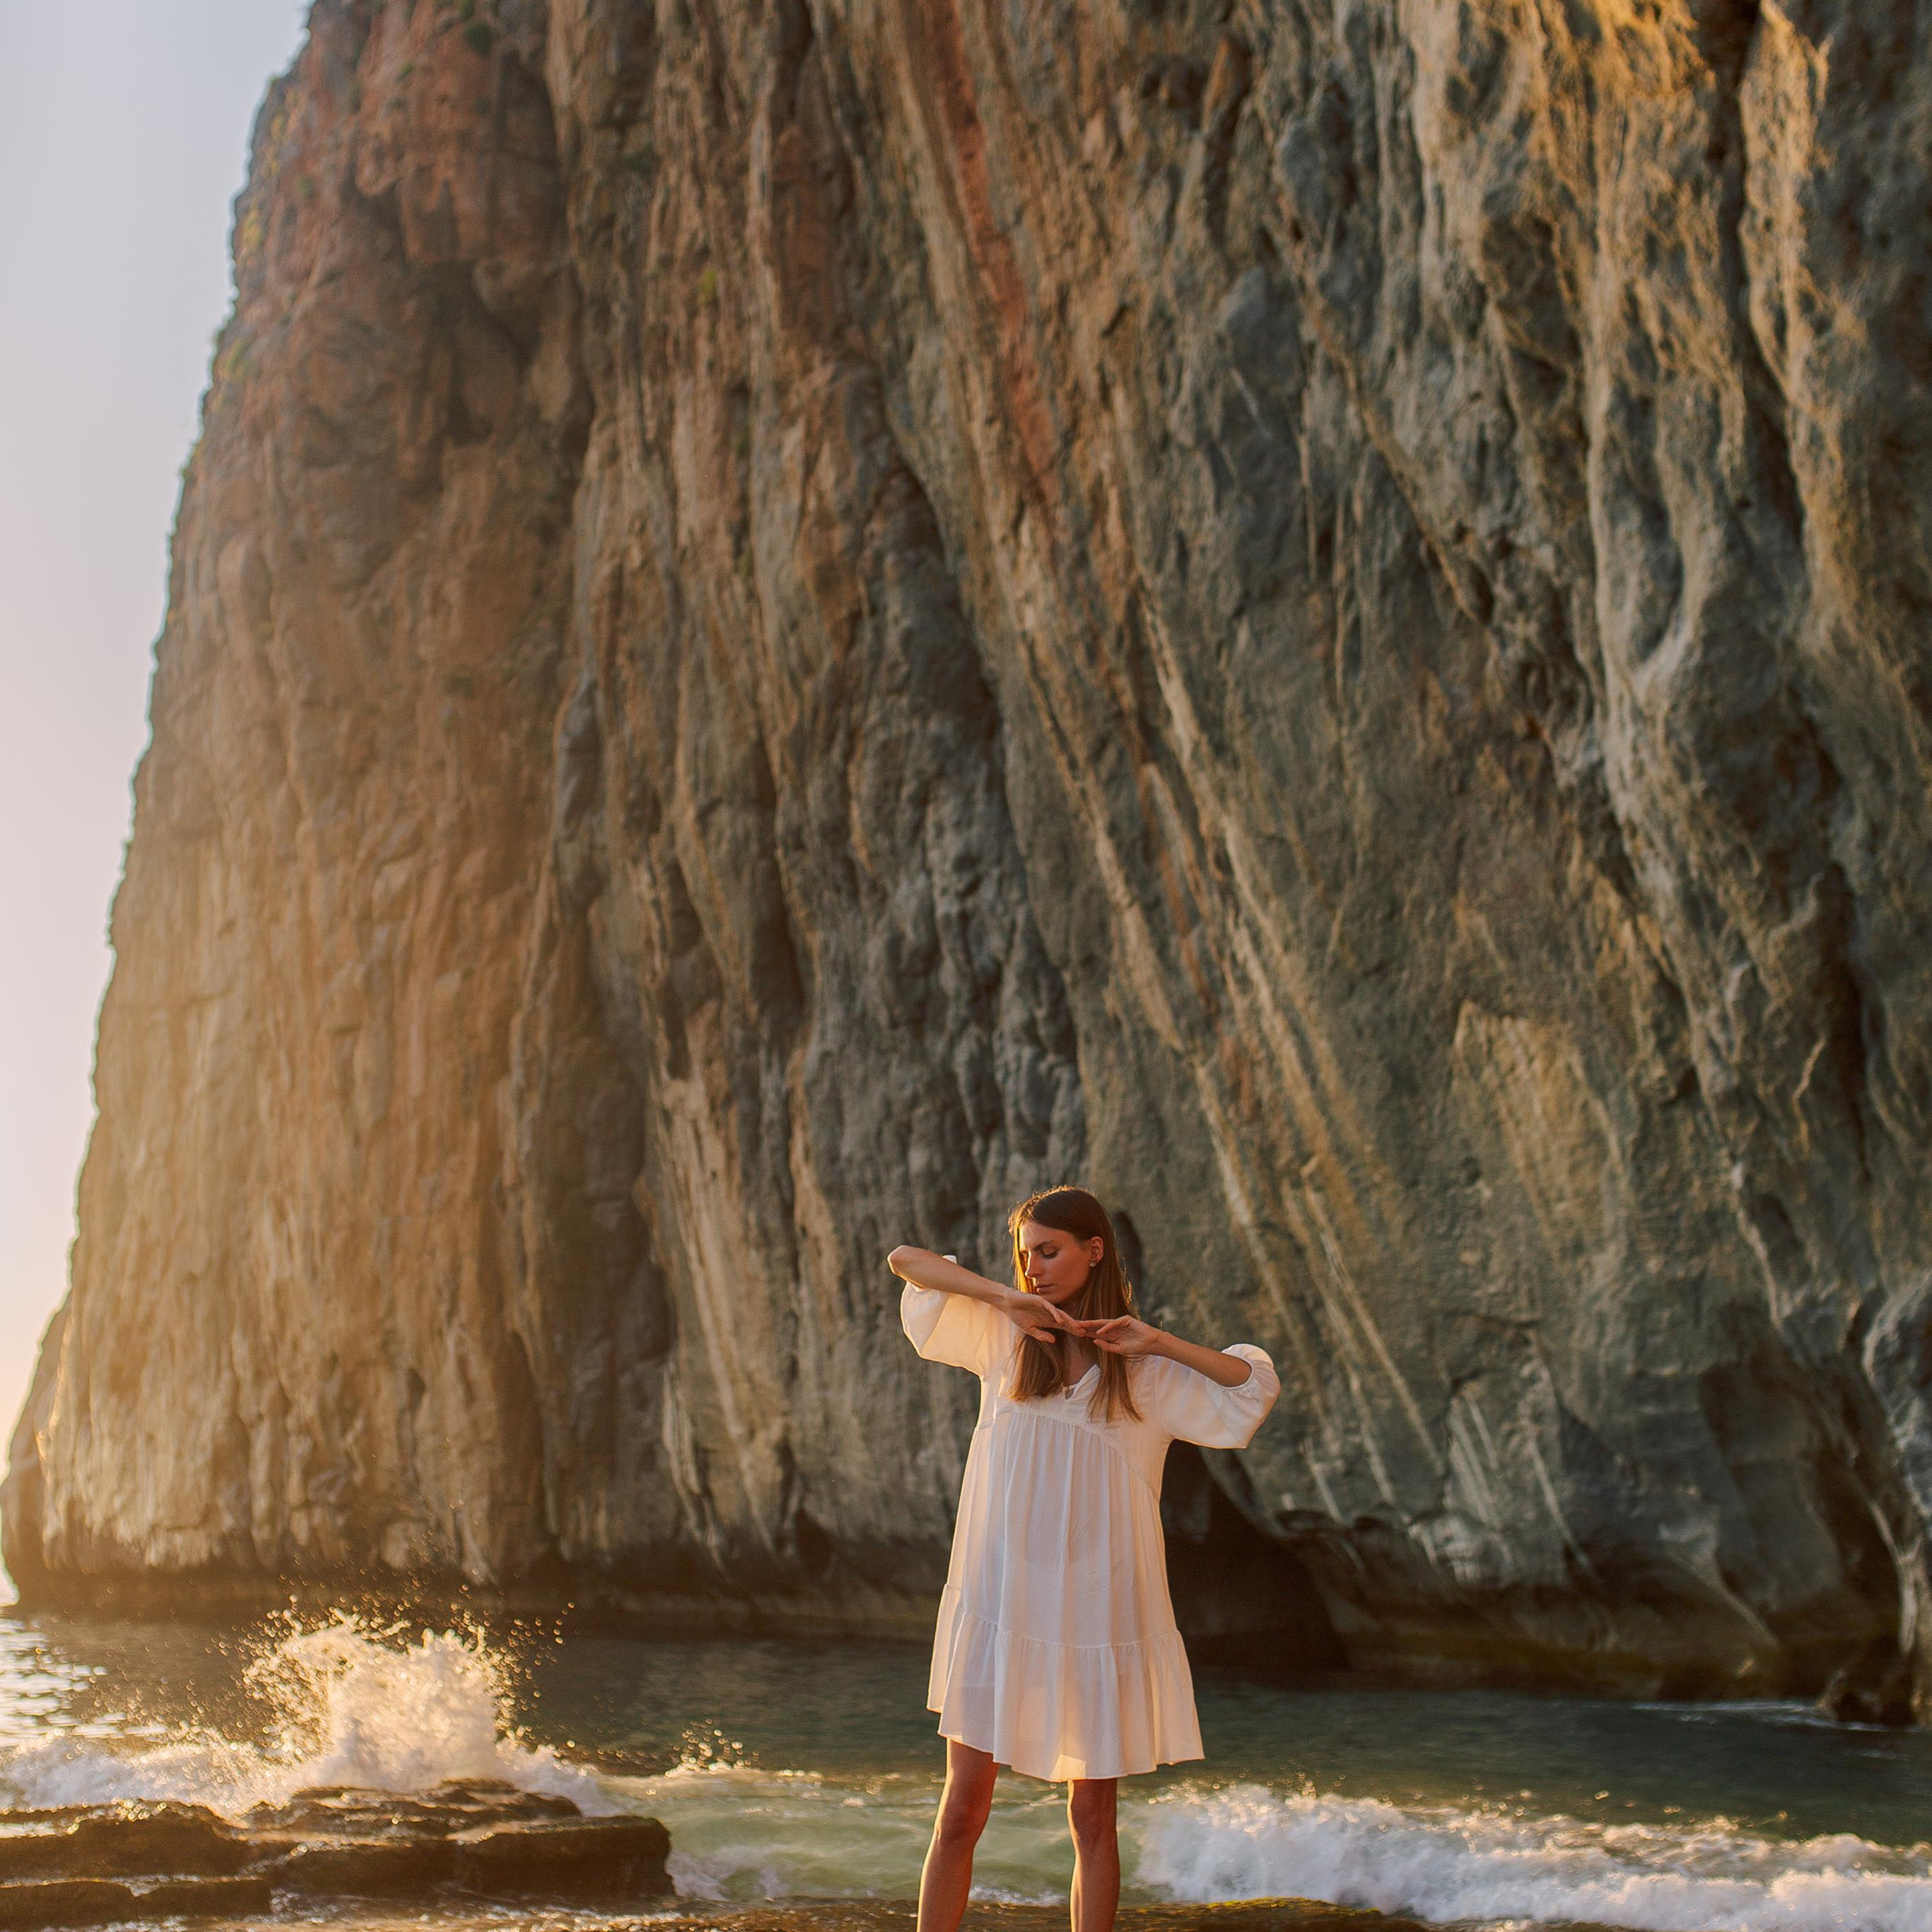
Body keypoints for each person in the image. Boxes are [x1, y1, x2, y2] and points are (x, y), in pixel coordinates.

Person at [888, 1184, 1281, 1932]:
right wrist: (1007, 1298)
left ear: (1093, 1249)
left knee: (1093, 1819)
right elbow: (906, 1261)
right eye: (1025, 1253)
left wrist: (1157, 1340)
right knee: (961, 1810)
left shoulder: (1144, 1372)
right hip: (998, 1604)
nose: (1034, 1267)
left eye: (1049, 1251)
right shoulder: (1003, 1339)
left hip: (1096, 1616)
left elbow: (1249, 1384)